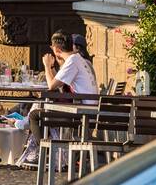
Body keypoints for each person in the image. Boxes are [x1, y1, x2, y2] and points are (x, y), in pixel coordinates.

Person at [16, 32, 100, 167]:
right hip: (86, 110)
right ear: (71, 46)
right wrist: (53, 67)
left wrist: (47, 65)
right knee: (41, 108)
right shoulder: (77, 58)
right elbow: (58, 82)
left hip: (80, 114)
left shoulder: (72, 61)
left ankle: (46, 151)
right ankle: (41, 148)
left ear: (56, 50)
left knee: (35, 115)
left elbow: (51, 85)